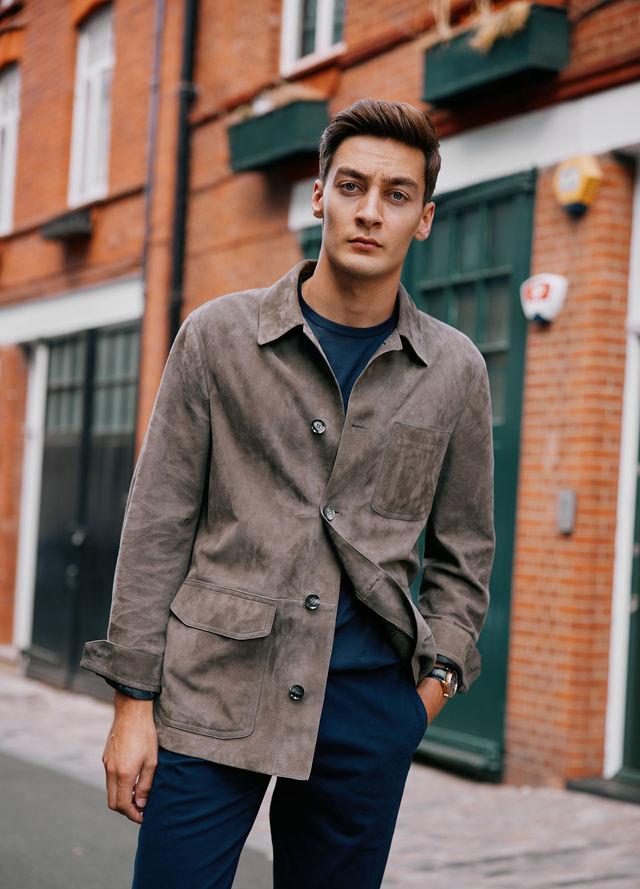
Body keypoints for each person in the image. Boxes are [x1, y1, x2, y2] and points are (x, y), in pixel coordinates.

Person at [81, 97, 495, 889]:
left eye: (397, 194)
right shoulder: (217, 337)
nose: (369, 211)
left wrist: (427, 694)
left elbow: (464, 551)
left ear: (424, 220)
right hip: (210, 694)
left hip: (367, 710)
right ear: (319, 196)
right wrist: (133, 703)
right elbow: (158, 524)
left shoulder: (454, 371)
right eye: (352, 185)